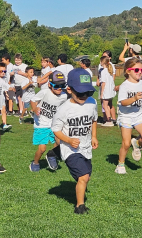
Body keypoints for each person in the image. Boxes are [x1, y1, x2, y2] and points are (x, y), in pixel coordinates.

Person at [52, 68, 98, 214]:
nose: (84, 96)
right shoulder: (64, 109)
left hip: (85, 147)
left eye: (88, 92)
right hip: (70, 149)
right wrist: (69, 140)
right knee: (83, 176)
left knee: (86, 177)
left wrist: (94, 136)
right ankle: (79, 206)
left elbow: (94, 120)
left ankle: (53, 153)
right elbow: (56, 129)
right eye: (80, 92)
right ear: (69, 89)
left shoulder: (92, 103)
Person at [115, 57, 142, 174]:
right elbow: (123, 102)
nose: (140, 72)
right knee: (126, 143)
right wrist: (134, 98)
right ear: (128, 71)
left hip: (138, 115)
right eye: (137, 70)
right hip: (126, 116)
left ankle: (136, 143)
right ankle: (120, 165)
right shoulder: (124, 86)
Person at [29, 70, 69, 172]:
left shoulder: (64, 96)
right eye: (56, 86)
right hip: (41, 124)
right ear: (49, 85)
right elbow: (33, 100)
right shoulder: (45, 92)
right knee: (42, 149)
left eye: (62, 85)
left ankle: (51, 155)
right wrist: (35, 108)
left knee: (60, 142)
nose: (59, 88)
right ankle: (35, 162)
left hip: (54, 124)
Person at [0, 63, 12, 130]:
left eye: (3, 71)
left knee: (3, 111)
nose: (0, 73)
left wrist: (12, 89)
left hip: (1, 98)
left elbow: (6, 87)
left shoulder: (1, 80)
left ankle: (4, 124)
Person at [99, 55, 117, 127]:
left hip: (106, 91)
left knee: (105, 106)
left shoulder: (103, 72)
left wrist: (101, 93)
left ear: (102, 62)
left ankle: (109, 121)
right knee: (109, 105)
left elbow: (103, 83)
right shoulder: (110, 71)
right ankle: (108, 119)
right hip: (110, 91)